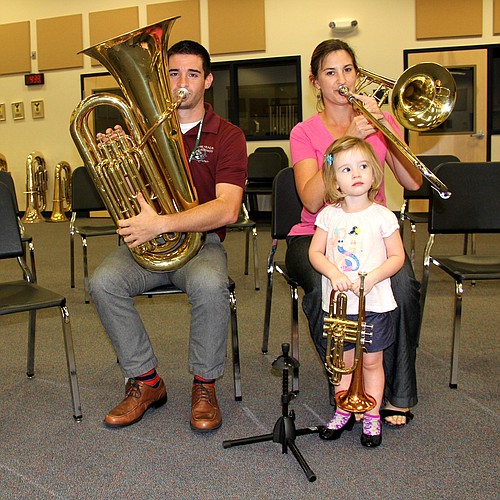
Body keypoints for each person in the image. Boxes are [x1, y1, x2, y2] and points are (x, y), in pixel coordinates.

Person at [89, 40, 248, 432]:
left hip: (201, 245)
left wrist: (164, 223)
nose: (182, 82)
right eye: (173, 73)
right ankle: (146, 382)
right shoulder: (140, 130)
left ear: (207, 81)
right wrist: (119, 161)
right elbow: (131, 199)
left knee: (212, 285)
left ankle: (205, 384)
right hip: (147, 244)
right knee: (103, 282)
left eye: (192, 74)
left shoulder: (227, 136)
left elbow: (227, 208)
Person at [285, 39, 421, 426]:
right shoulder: (305, 132)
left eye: (348, 70)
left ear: (358, 76)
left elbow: (411, 182)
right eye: (330, 72)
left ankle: (396, 393)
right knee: (322, 286)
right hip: (317, 234)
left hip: (373, 233)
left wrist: (388, 129)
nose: (341, 80)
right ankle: (346, 390)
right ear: (316, 82)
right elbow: (312, 200)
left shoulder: (377, 121)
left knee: (404, 287)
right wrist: (349, 144)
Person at [309, 136, 405, 447]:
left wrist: (373, 277)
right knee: (343, 362)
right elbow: (315, 253)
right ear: (333, 179)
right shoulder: (329, 215)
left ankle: (372, 413)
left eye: (363, 166)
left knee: (372, 363)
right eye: (347, 169)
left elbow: (397, 257)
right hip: (339, 306)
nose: (356, 174)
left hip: (373, 303)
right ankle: (343, 408)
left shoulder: (382, 216)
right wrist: (334, 273)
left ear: (374, 171)